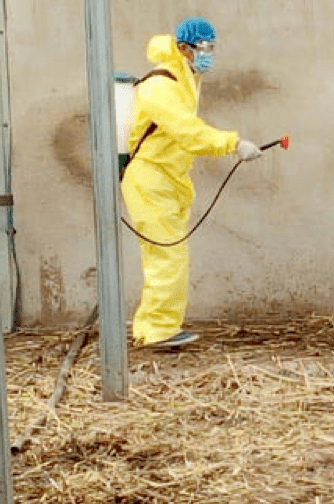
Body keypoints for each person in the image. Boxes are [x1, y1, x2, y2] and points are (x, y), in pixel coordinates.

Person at [121, 17, 262, 348]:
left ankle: (158, 326)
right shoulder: (160, 86)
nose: (208, 54)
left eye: (212, 48)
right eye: (202, 49)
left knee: (169, 254)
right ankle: (155, 330)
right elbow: (187, 132)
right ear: (183, 48)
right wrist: (233, 143)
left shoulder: (184, 78)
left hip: (168, 178)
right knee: (166, 255)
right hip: (150, 179)